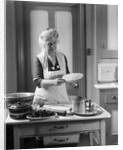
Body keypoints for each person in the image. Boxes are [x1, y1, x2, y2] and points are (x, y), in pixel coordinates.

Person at [32, 28, 71, 106]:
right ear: (43, 45)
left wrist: (71, 80)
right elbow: (37, 81)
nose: (53, 46)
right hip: (44, 101)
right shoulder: (39, 58)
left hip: (61, 99)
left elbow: (67, 75)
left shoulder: (62, 56)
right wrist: (53, 82)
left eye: (55, 43)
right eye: (49, 44)